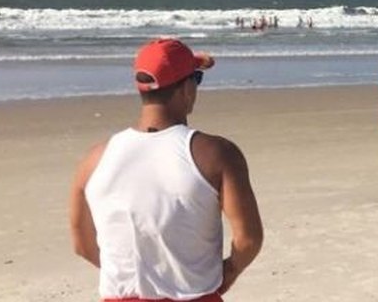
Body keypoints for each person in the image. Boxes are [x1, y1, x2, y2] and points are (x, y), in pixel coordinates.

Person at [69, 38, 264, 302]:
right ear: (186, 89)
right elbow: (248, 239)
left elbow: (82, 245)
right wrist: (228, 273)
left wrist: (134, 274)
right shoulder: (217, 154)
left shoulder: (94, 159)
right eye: (197, 79)